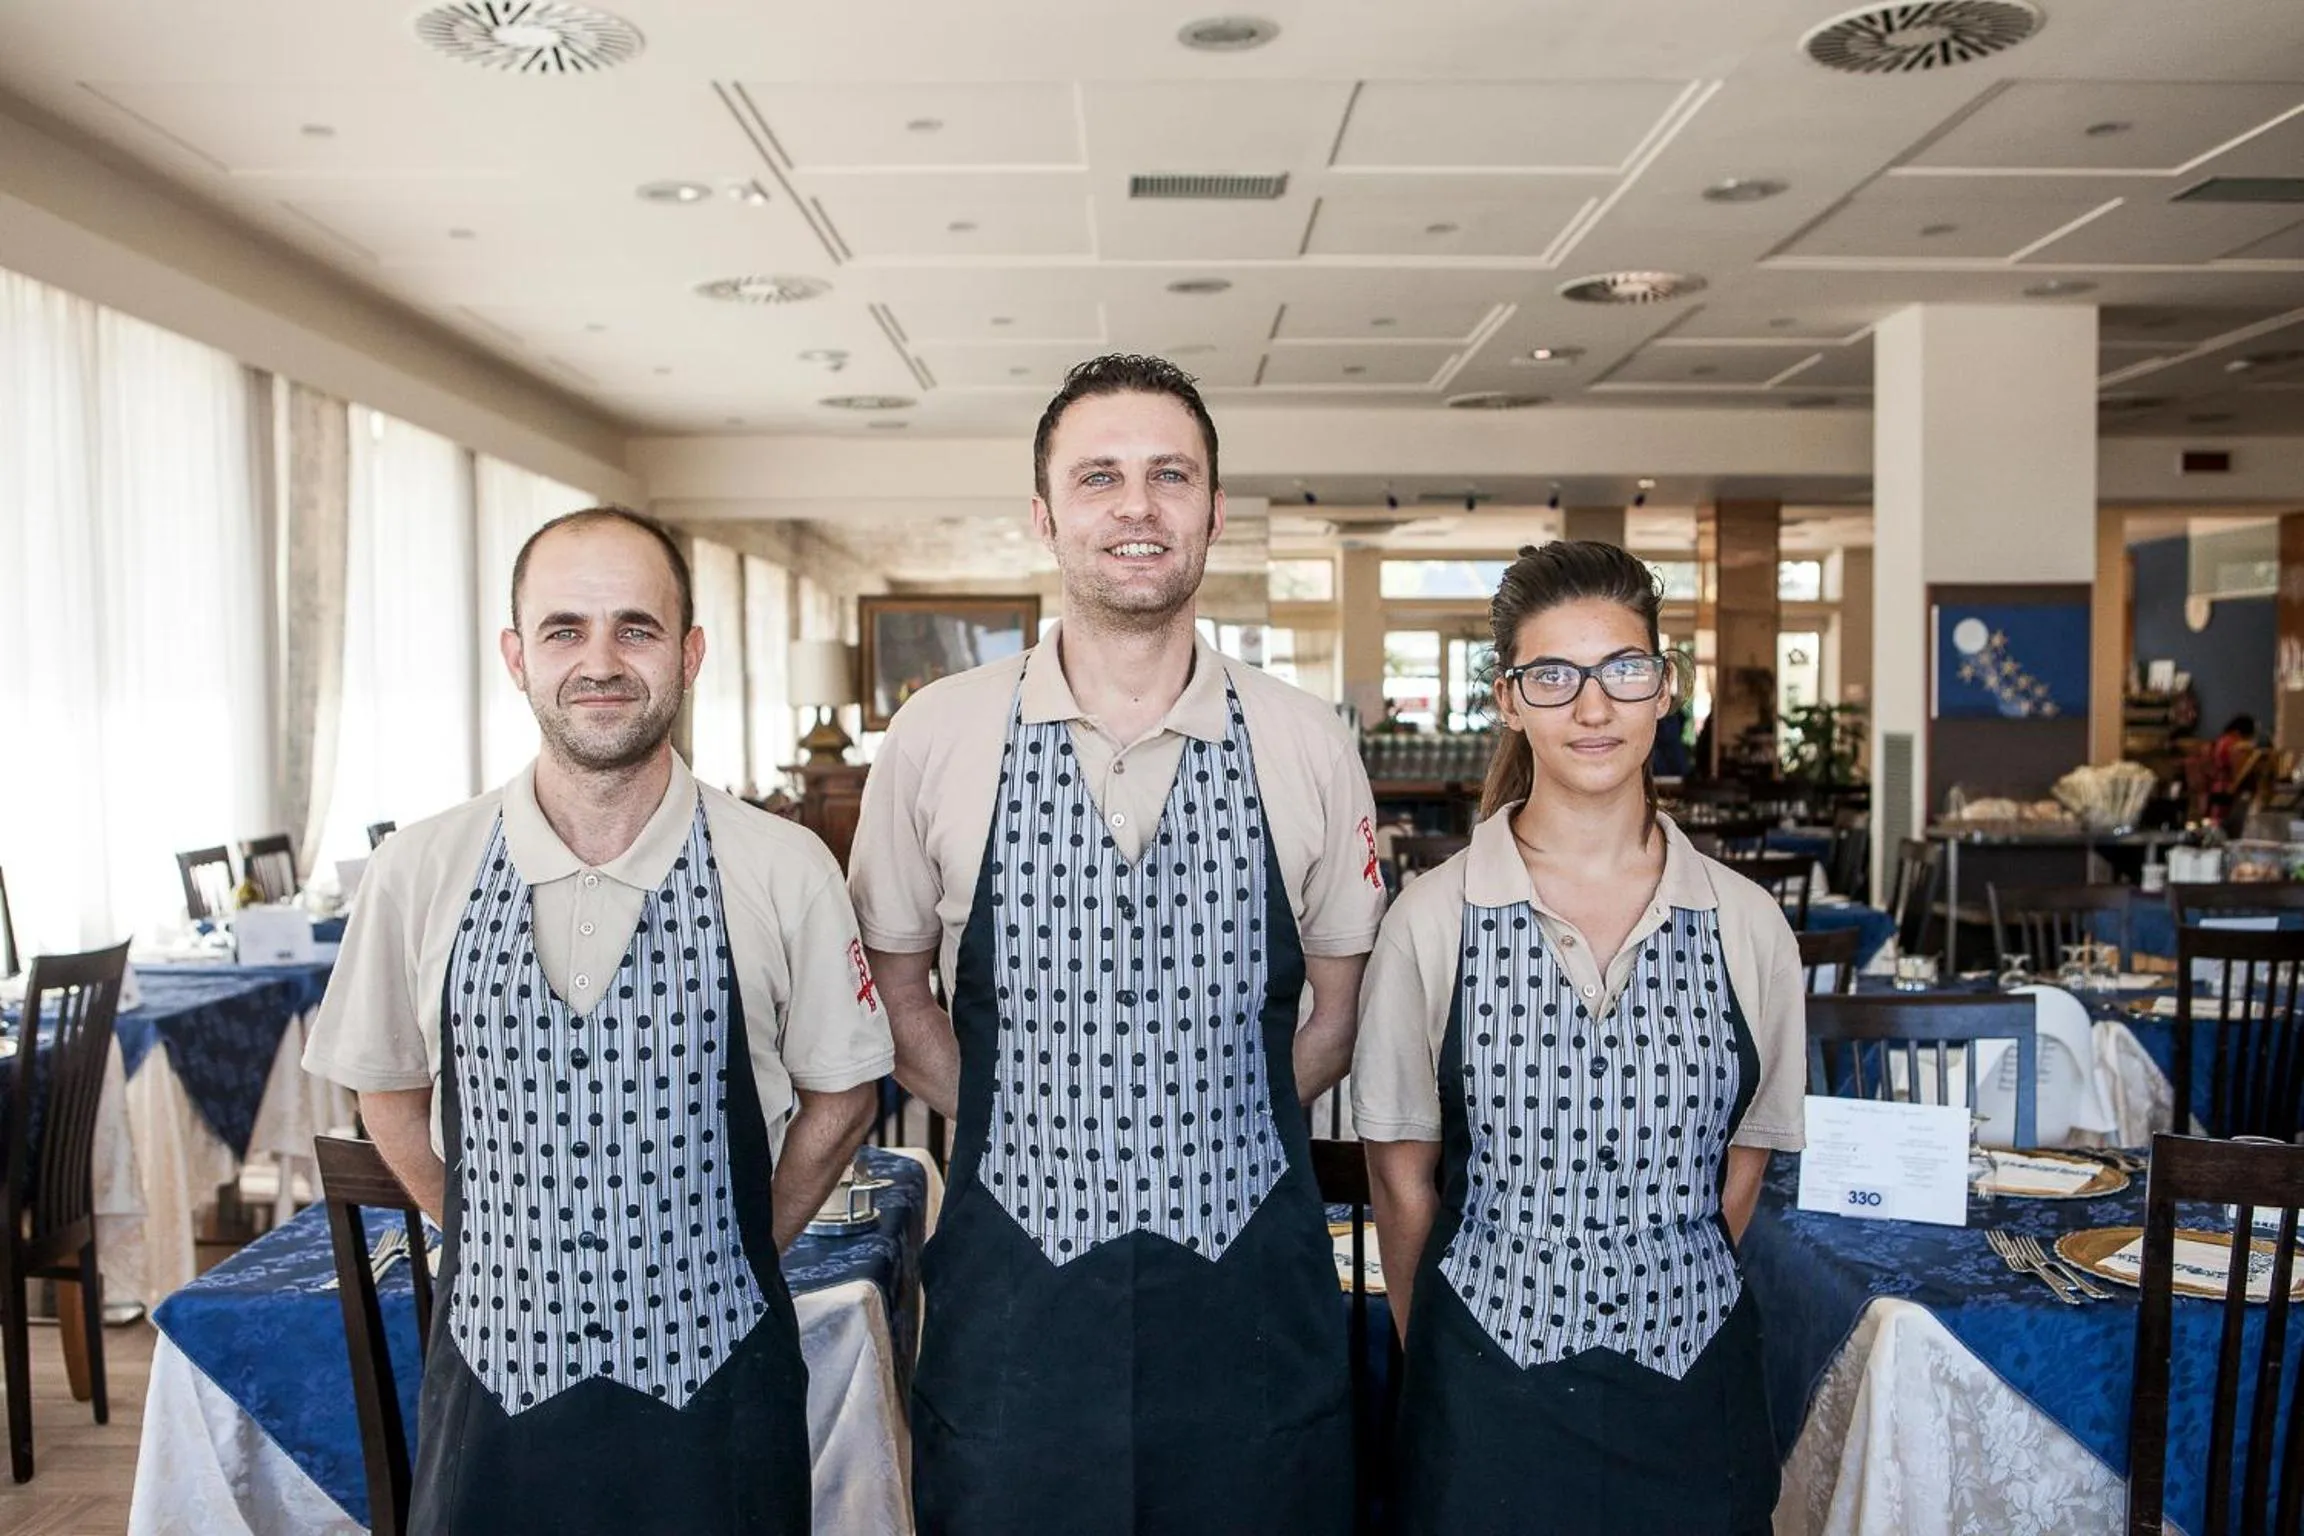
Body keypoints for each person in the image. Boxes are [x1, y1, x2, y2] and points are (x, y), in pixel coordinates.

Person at [849, 354, 1386, 1535]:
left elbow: (1338, 1015)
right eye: (1100, 477)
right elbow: (896, 991)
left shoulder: (1304, 741)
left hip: (1250, 1293)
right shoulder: (938, 736)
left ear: (1214, 511)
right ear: (1046, 517)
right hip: (1013, 1298)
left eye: (1169, 476)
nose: (1136, 506)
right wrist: (1017, 1115)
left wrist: (1212, 1117)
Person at [303, 507, 890, 1534]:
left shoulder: (781, 864)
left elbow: (843, 1097)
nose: (601, 661)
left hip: (720, 1387)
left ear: (690, 653)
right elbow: (385, 1091)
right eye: (566, 629)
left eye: (637, 627)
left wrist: (740, 1245)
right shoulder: (420, 868)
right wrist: (500, 1244)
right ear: (516, 656)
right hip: (491, 1380)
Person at [1351, 541, 1805, 1536]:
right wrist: (1453, 1357)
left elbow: (1743, 1170)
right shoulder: (1434, 921)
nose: (1592, 709)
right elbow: (1399, 1179)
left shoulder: (1748, 926)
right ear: (1508, 699)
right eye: (1554, 676)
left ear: (1664, 688)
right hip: (1482, 1406)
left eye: (1622, 671)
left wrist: (1644, 1286)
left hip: (1695, 1400)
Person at [2205, 712, 2258, 833]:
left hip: (2218, 787)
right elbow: (2240, 770)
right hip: (2229, 788)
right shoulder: (2235, 744)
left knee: (2217, 823)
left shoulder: (2221, 740)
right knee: (2227, 825)